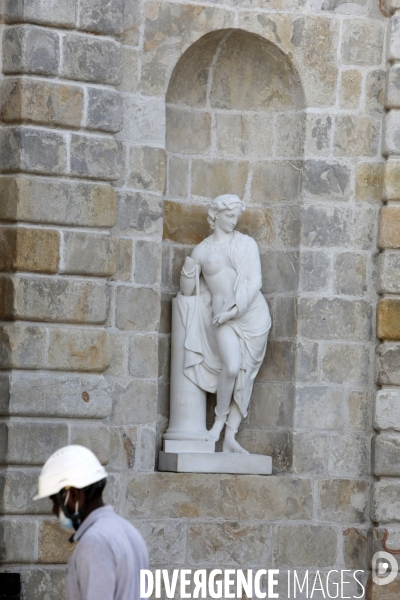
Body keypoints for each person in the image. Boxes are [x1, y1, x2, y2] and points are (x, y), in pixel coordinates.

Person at [179, 194, 271, 454]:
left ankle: (230, 436)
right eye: (229, 216)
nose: (233, 221)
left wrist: (233, 311)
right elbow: (187, 292)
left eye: (236, 217)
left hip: (252, 315)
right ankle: (218, 421)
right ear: (216, 215)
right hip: (222, 318)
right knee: (231, 368)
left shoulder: (246, 244)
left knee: (245, 376)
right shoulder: (202, 250)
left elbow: (255, 282)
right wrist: (188, 268)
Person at [33, 445, 149, 600]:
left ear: (74, 495)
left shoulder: (95, 542)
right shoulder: (128, 531)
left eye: (55, 501)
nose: (54, 510)